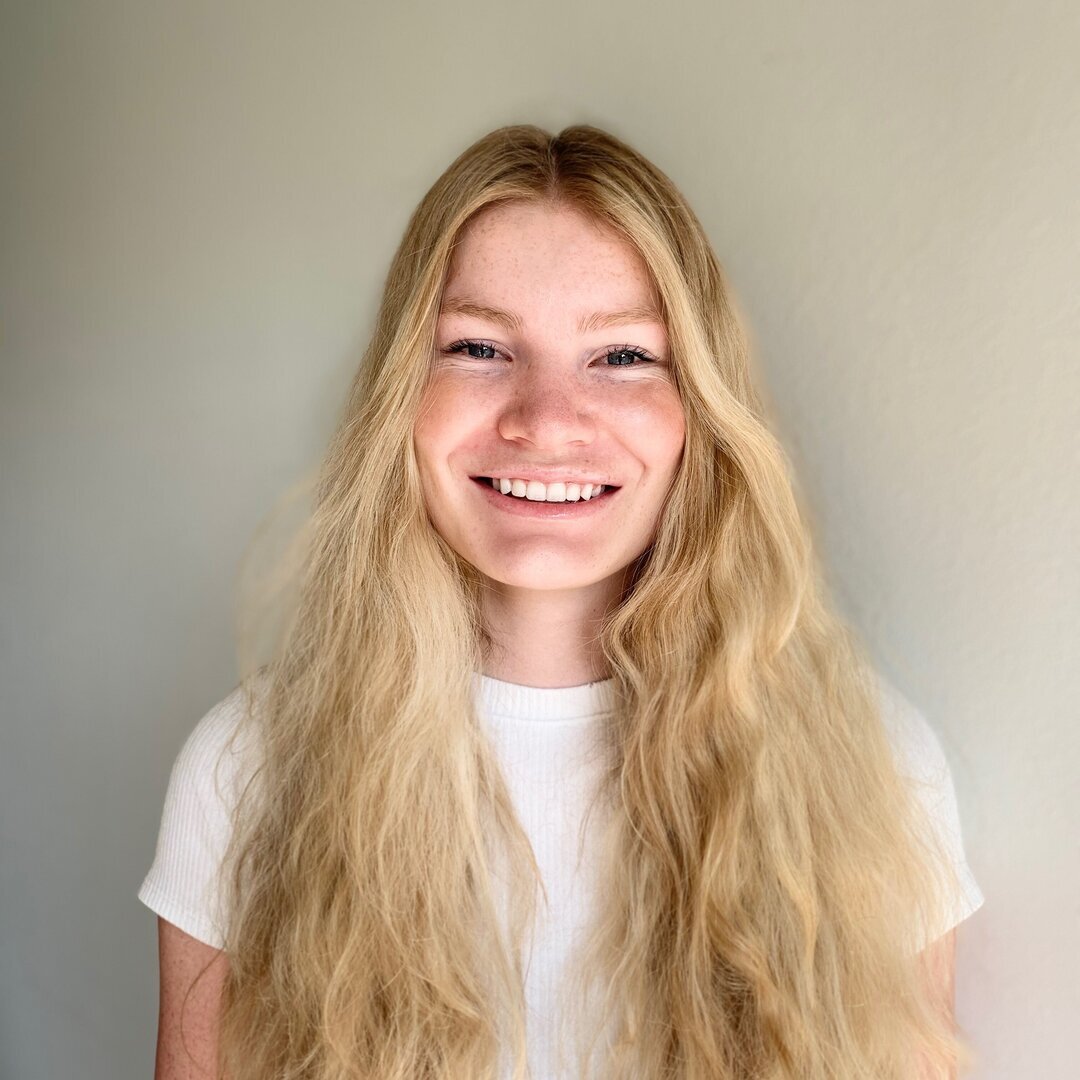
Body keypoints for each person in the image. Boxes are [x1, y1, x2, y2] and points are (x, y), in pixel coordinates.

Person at [138, 124, 984, 1080]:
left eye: (621, 356)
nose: (545, 421)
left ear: (700, 411)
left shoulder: (873, 769)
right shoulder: (246, 770)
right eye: (478, 347)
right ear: (401, 397)